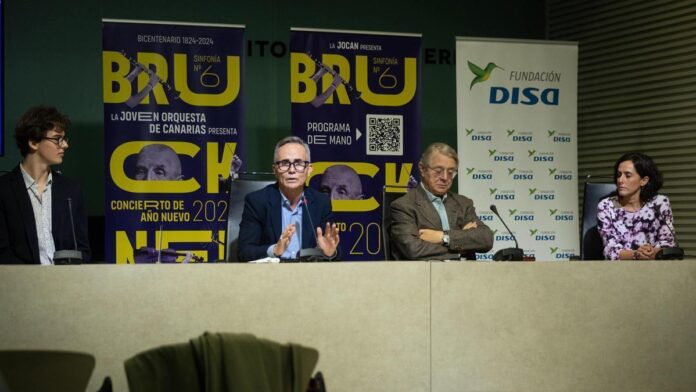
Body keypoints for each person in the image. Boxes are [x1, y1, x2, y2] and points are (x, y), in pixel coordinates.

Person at [0, 106, 90, 264]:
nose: (65, 145)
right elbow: (3, 252)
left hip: (67, 283)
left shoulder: (71, 190)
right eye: (57, 139)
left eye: (64, 139)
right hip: (19, 285)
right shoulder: (4, 189)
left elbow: (83, 250)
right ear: (33, 142)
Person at [237, 136, 340, 262]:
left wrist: (331, 252)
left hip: (308, 276)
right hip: (271, 276)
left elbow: (334, 248)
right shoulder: (257, 202)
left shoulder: (321, 202)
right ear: (275, 169)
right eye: (285, 163)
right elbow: (244, 252)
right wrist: (274, 250)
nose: (292, 170)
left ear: (309, 170)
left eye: (298, 163)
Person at [390, 142, 493, 260]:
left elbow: (486, 238)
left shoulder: (463, 203)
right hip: (426, 276)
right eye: (438, 171)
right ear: (422, 169)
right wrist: (462, 246)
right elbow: (414, 249)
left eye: (450, 172)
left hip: (466, 275)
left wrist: (443, 237)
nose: (445, 177)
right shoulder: (404, 205)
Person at [597, 152, 676, 260]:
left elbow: (668, 244)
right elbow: (610, 250)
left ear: (644, 180)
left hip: (656, 268)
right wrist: (636, 254)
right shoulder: (607, 206)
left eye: (627, 175)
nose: (620, 180)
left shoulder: (659, 204)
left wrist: (652, 253)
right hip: (619, 270)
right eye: (619, 175)